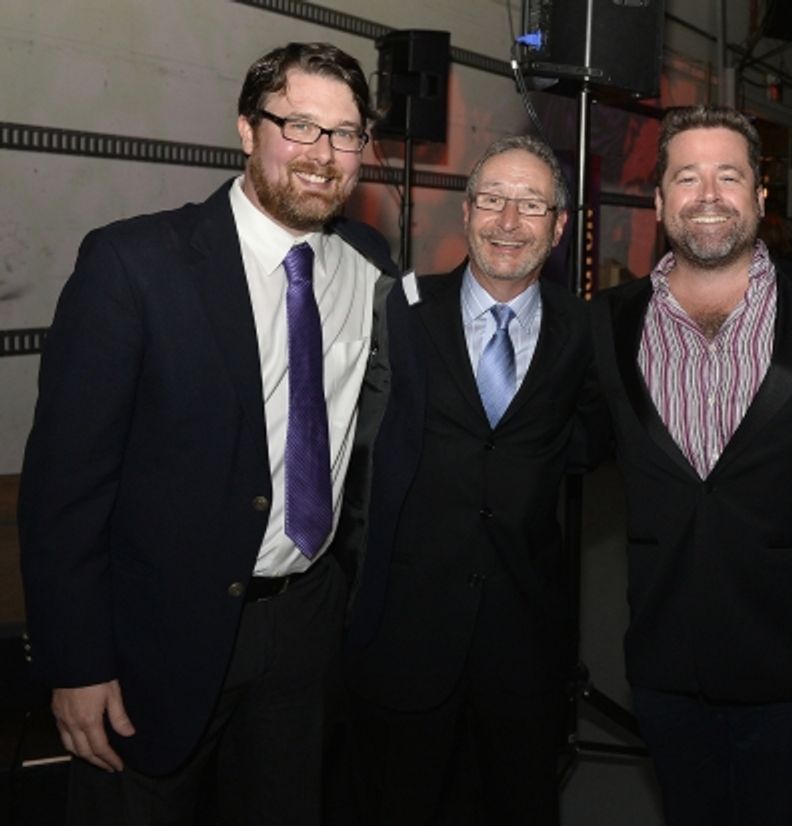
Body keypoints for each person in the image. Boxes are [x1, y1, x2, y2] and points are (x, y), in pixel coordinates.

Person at [17, 42, 397, 824]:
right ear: (246, 129)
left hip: (304, 630)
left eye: (345, 133)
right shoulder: (134, 264)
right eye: (300, 125)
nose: (323, 154)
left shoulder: (367, 262)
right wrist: (75, 662)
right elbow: (64, 488)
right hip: (158, 638)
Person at [590, 105, 792, 825]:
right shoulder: (605, 323)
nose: (708, 194)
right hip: (665, 661)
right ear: (658, 202)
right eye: (687, 177)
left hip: (791, 665)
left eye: (729, 176)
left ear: (760, 196)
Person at [341, 134, 606, 825]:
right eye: (492, 200)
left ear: (558, 227)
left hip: (525, 642)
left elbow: (590, 439)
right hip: (403, 637)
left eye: (531, 204)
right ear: (465, 213)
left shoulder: (585, 331)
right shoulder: (398, 312)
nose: (509, 221)